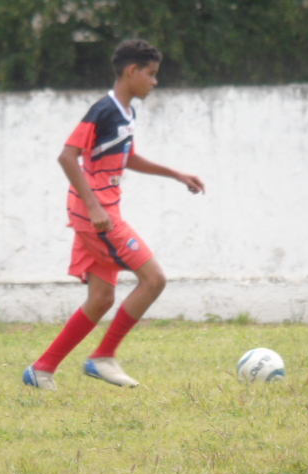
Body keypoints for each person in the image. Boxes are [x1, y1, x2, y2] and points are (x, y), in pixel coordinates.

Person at [23, 39, 205, 390]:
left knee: (101, 298)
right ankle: (103, 356)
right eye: (151, 74)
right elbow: (67, 156)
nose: (155, 82)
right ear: (132, 71)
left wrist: (177, 174)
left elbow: (128, 158)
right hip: (97, 215)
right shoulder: (103, 110)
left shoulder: (127, 113)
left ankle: (42, 369)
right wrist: (94, 207)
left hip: (100, 213)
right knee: (154, 279)